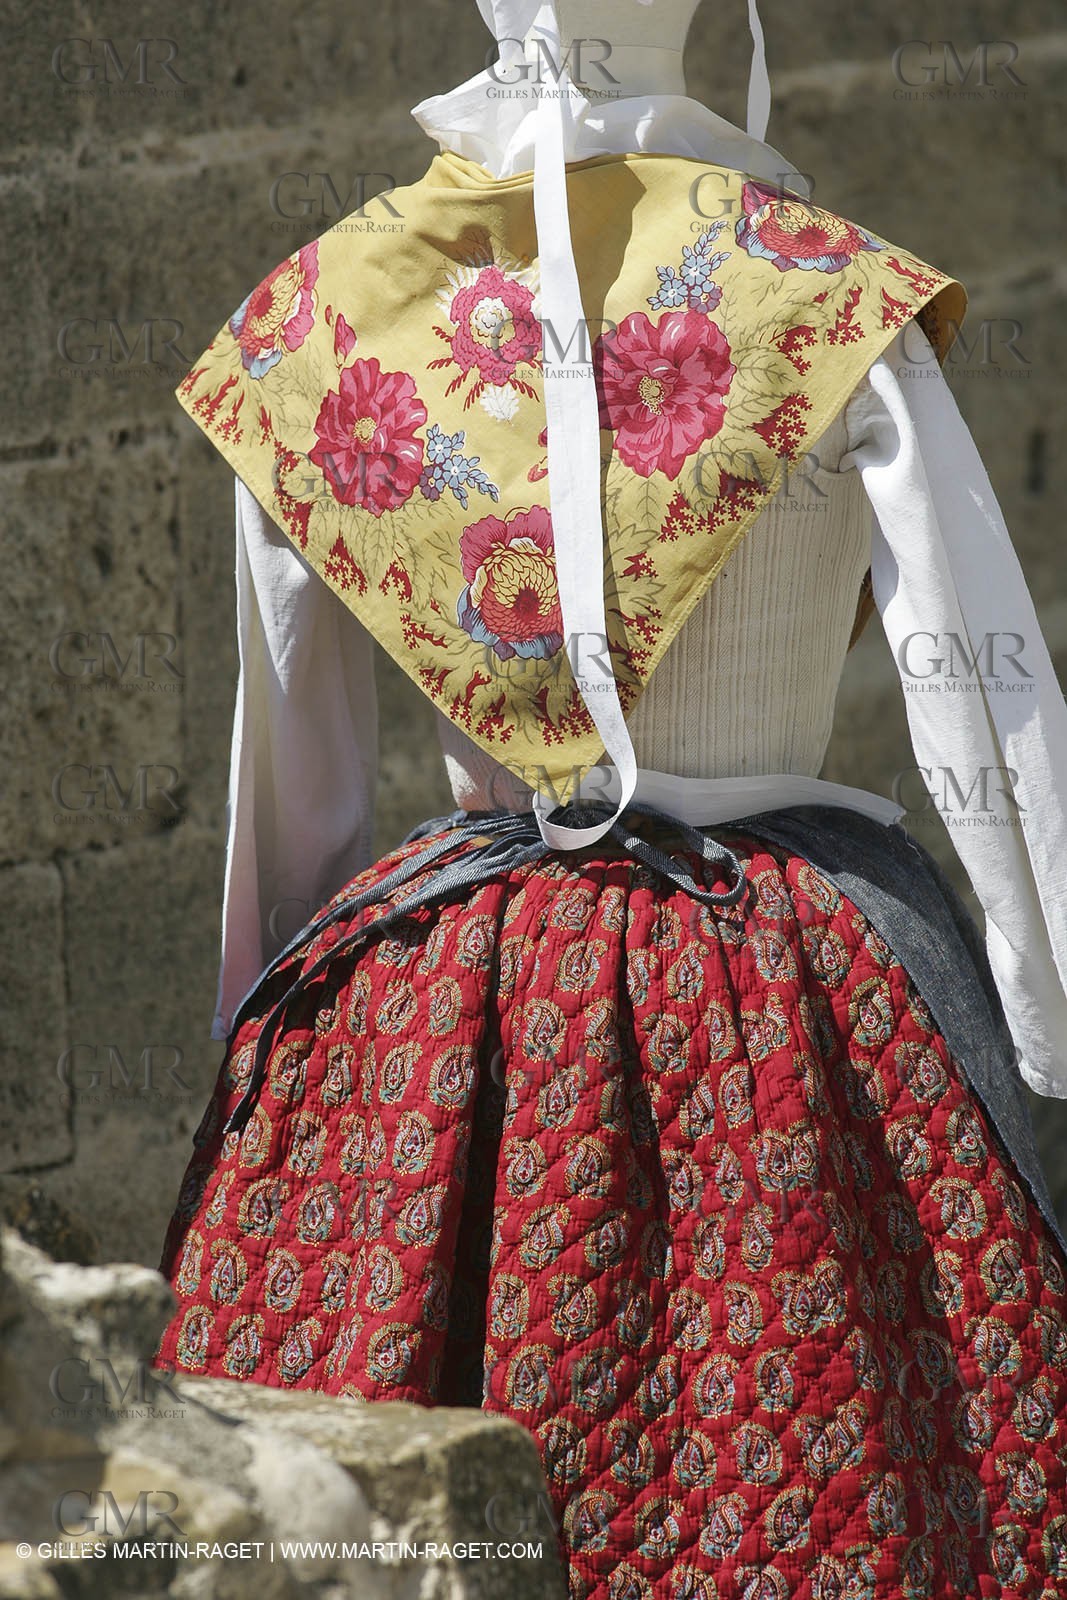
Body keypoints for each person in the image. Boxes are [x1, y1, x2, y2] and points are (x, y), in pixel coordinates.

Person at [156, 2, 1067, 1593]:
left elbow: (292, 765)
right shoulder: (827, 291)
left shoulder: (326, 319)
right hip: (791, 990)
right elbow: (980, 696)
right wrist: (1045, 1011)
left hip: (436, 997)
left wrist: (281, 1057)